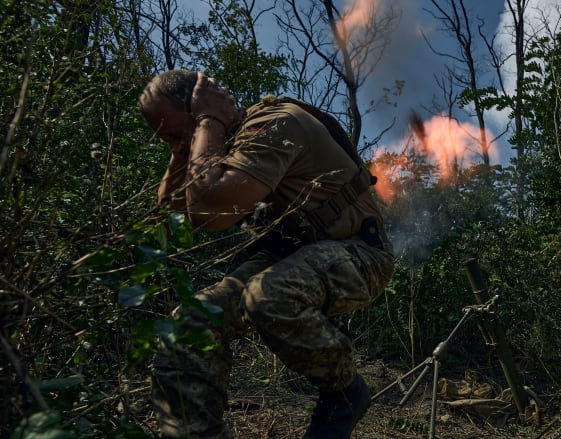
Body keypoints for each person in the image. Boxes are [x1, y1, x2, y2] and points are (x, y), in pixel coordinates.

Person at [138, 69, 395, 438]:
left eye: (180, 134)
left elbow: (214, 202)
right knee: (188, 324)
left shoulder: (276, 124)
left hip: (360, 254)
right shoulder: (219, 142)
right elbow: (174, 222)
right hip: (287, 256)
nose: (179, 145)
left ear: (199, 112)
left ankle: (344, 392)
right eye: (167, 139)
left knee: (268, 296)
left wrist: (208, 121)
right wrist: (182, 149)